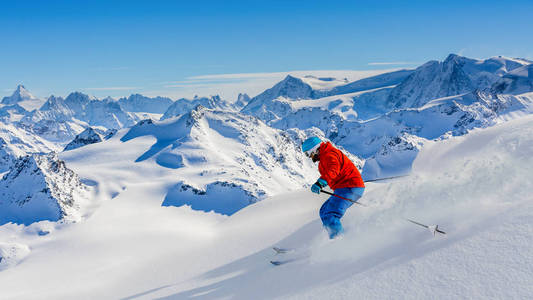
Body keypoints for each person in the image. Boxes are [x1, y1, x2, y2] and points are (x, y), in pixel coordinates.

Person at [301, 136, 365, 239]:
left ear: (314, 149)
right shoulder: (325, 156)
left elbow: (333, 170)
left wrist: (320, 183)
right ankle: (334, 236)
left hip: (350, 187)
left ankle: (339, 241)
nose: (309, 157)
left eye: (308, 154)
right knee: (324, 211)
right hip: (344, 187)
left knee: (330, 214)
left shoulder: (329, 154)